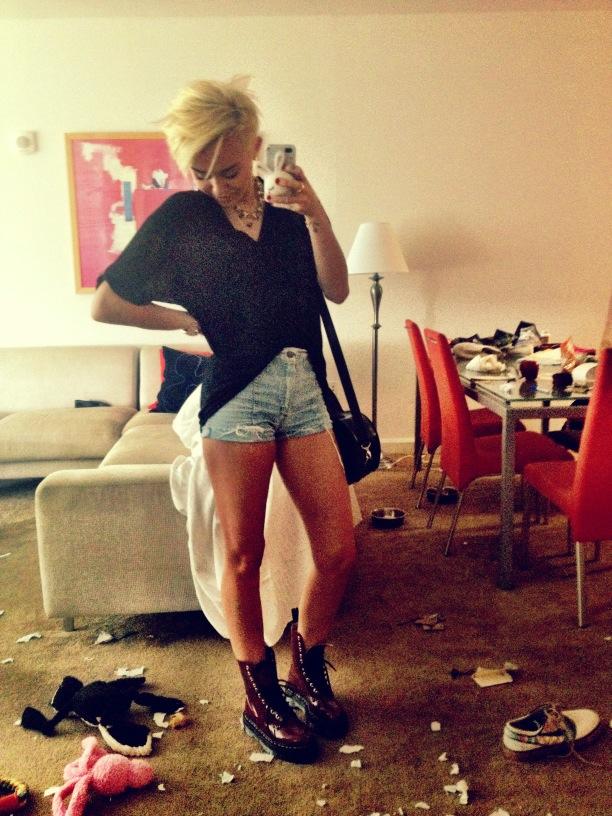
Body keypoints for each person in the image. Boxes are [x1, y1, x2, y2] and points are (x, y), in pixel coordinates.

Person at [91, 78, 356, 764]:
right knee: (243, 554)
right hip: (236, 398)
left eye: (229, 170)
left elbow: (336, 289)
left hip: (304, 393)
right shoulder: (183, 217)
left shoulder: (290, 215)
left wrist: (317, 212)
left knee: (336, 548)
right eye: (199, 171)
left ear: (256, 148)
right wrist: (185, 323)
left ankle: (307, 669)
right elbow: (107, 303)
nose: (214, 186)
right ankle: (259, 695)